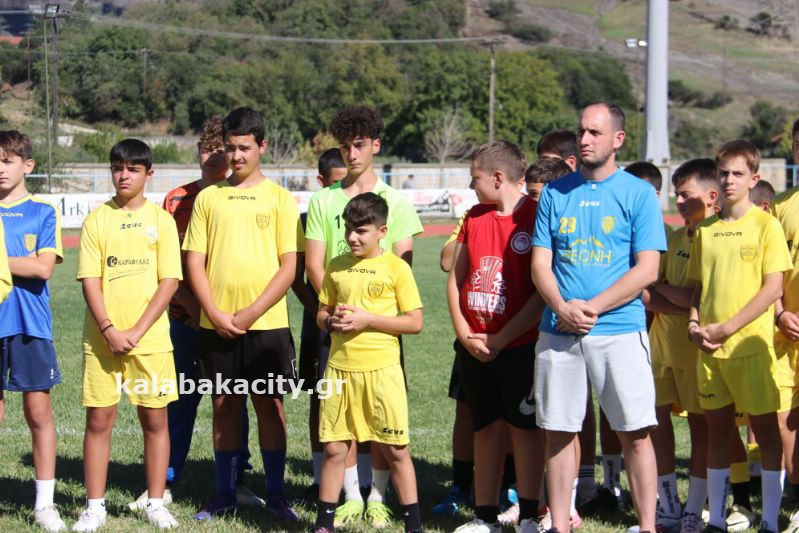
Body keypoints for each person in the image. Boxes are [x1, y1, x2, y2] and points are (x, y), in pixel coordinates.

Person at [532, 102, 665, 533]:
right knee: (558, 432)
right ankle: (560, 525)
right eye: (581, 131)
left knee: (635, 433)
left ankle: (647, 526)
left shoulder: (638, 193)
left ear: (618, 139)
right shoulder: (555, 193)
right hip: (559, 331)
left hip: (619, 330)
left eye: (594, 132)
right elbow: (540, 264)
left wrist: (592, 307)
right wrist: (561, 307)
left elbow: (648, 269)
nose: (584, 139)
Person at [127, 117, 264, 510]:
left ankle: (237, 479)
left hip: (228, 320)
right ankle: (166, 479)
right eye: (205, 149)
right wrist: (195, 308)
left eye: (220, 149)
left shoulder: (240, 196)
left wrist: (221, 314)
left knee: (232, 400)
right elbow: (166, 264)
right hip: (185, 318)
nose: (212, 156)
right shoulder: (176, 200)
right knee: (179, 399)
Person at [305, 105, 423, 527]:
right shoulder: (323, 200)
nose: (351, 154)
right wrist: (337, 309)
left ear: (375, 145)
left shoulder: (396, 201)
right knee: (340, 422)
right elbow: (315, 263)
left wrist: (368, 315)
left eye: (359, 145)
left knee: (383, 420)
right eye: (345, 146)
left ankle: (378, 495)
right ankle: (351, 495)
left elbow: (402, 264)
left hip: (380, 334)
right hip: (337, 326)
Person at [184, 107, 300, 522]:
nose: (237, 156)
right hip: (217, 324)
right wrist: (214, 312)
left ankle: (277, 494)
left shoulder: (281, 199)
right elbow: (194, 262)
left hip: (266, 324)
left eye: (245, 148)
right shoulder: (209, 198)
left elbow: (289, 266)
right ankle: (224, 492)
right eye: (231, 148)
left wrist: (251, 312)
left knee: (270, 406)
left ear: (261, 146)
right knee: (224, 405)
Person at [74, 139, 181, 531]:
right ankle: (95, 507)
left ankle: (155, 501)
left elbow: (169, 281)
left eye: (133, 169)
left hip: (150, 342)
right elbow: (90, 279)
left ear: (148, 174)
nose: (124, 175)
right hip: (102, 340)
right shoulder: (97, 220)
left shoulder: (162, 221)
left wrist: (136, 330)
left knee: (155, 421)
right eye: (118, 168)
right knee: (99, 421)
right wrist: (108, 328)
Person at [687, 140, 791, 533]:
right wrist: (693, 324)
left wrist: (728, 327)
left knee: (766, 434)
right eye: (724, 173)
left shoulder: (766, 225)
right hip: (709, 350)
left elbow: (772, 288)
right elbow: (699, 287)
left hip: (751, 349)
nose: (729, 180)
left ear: (753, 178)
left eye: (737, 173)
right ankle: (716, 519)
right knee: (718, 433)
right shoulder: (706, 229)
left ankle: (769, 521)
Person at [448, 140, 546, 533]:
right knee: (485, 427)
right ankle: (484, 516)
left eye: (475, 178)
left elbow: (541, 293)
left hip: (519, 347)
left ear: (498, 177)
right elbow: (455, 280)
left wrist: (502, 338)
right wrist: (464, 333)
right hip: (474, 346)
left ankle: (530, 514)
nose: (471, 185)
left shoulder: (536, 217)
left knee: (524, 431)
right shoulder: (474, 217)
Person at [643, 158, 719, 533]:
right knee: (655, 425)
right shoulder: (672, 239)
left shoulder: (716, 239)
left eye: (686, 195)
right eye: (677, 194)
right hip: (661, 350)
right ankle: (670, 505)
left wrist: (670, 295)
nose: (679, 202)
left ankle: (694, 507)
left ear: (711, 196)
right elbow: (647, 292)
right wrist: (682, 301)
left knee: (702, 428)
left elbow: (705, 297)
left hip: (696, 354)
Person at [0, 130, 65, 532]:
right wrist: (16, 260)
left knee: (38, 412)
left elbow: (43, 267)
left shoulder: (43, 212)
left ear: (28, 165)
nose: (0, 168)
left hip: (30, 325)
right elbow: (28, 263)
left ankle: (44, 505)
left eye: (7, 161)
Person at [297, 147, 348, 502]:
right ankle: (319, 479)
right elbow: (296, 275)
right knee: (321, 396)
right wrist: (319, 307)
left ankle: (356, 483)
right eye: (336, 183)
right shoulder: (309, 215)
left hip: (360, 318)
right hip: (320, 319)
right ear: (321, 181)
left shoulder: (365, 209)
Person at [771, 118, 799, 533]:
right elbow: (769, 273)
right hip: (785, 331)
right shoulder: (780, 207)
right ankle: (796, 495)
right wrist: (779, 312)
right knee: (784, 418)